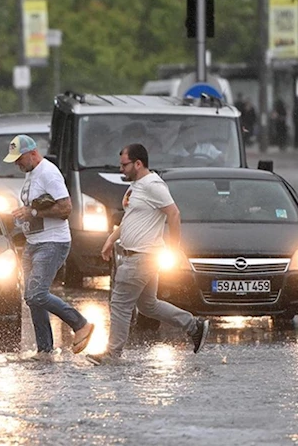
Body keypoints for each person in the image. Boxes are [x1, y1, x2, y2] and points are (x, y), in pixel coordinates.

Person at [86, 143, 209, 365]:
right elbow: (131, 219)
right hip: (141, 255)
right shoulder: (137, 186)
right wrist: (111, 239)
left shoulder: (153, 185)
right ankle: (194, 326)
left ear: (138, 163)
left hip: (142, 256)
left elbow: (174, 214)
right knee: (148, 305)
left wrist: (175, 247)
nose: (121, 169)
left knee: (120, 303)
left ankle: (112, 354)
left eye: (124, 165)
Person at [3, 134, 95, 358]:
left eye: (19, 159)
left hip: (52, 242)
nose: (17, 164)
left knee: (37, 294)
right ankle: (45, 349)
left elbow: (65, 209)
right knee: (32, 298)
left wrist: (32, 212)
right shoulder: (32, 174)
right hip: (34, 242)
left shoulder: (49, 173)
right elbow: (34, 208)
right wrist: (19, 216)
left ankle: (80, 323)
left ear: (33, 153)